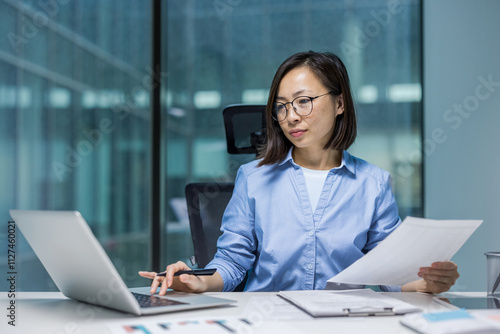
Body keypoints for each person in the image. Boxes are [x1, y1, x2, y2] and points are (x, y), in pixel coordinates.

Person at [139, 51, 459, 295]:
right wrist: (196, 281)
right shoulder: (253, 178)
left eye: (303, 101)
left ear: (339, 103)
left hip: (343, 322)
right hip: (267, 321)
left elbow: (392, 275)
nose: (291, 116)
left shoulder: (373, 184)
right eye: (281, 106)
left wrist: (427, 283)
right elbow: (233, 262)